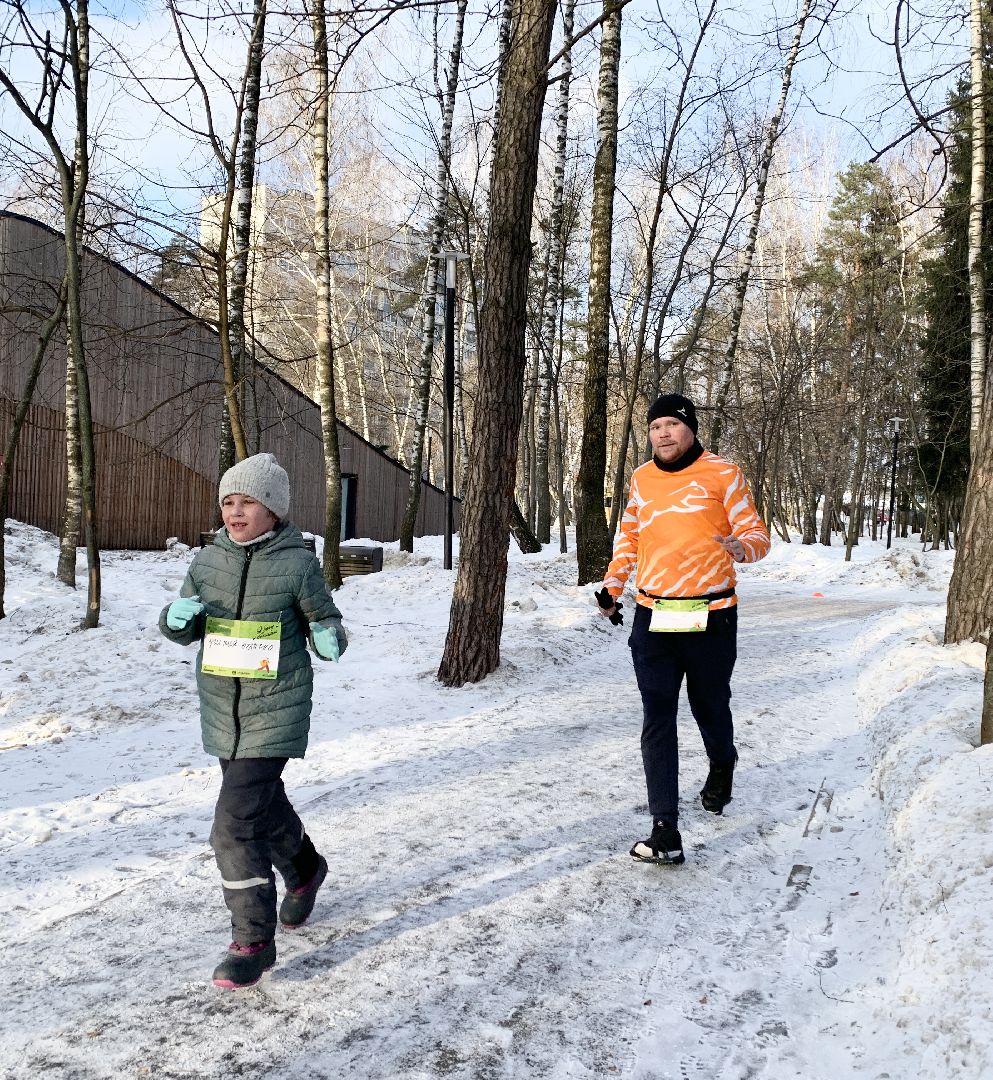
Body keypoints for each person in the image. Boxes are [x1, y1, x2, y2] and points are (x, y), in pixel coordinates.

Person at [159, 452, 348, 989]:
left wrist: (329, 636)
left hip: (276, 709)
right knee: (262, 807)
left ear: (274, 511)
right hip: (223, 710)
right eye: (228, 502)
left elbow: (324, 618)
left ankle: (253, 942)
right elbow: (186, 621)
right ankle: (306, 870)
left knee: (234, 825)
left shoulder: (297, 562)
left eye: (248, 502)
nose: (235, 512)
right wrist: (174, 622)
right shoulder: (207, 561)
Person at [597, 394, 770, 866]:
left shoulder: (723, 473)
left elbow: (757, 535)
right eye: (656, 427)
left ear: (691, 428)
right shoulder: (641, 479)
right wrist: (613, 585)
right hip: (654, 615)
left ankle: (722, 762)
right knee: (658, 715)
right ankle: (665, 830)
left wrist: (741, 547)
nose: (664, 434)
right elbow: (630, 536)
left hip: (712, 614)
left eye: (673, 424)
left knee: (708, 705)